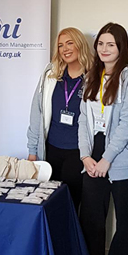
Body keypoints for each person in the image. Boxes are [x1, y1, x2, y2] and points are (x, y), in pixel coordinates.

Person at [77, 23, 128, 255]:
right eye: (101, 44)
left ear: (121, 48)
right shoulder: (93, 75)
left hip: (123, 155)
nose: (104, 49)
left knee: (127, 222)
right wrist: (85, 155)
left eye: (111, 45)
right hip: (94, 149)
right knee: (91, 218)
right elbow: (83, 118)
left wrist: (107, 158)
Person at [26, 27, 93, 212]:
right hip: (51, 150)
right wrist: (33, 150)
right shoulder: (51, 74)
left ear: (80, 44)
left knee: (71, 204)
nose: (65, 49)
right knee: (50, 203)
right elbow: (37, 112)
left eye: (70, 43)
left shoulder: (93, 77)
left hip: (78, 152)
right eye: (61, 45)